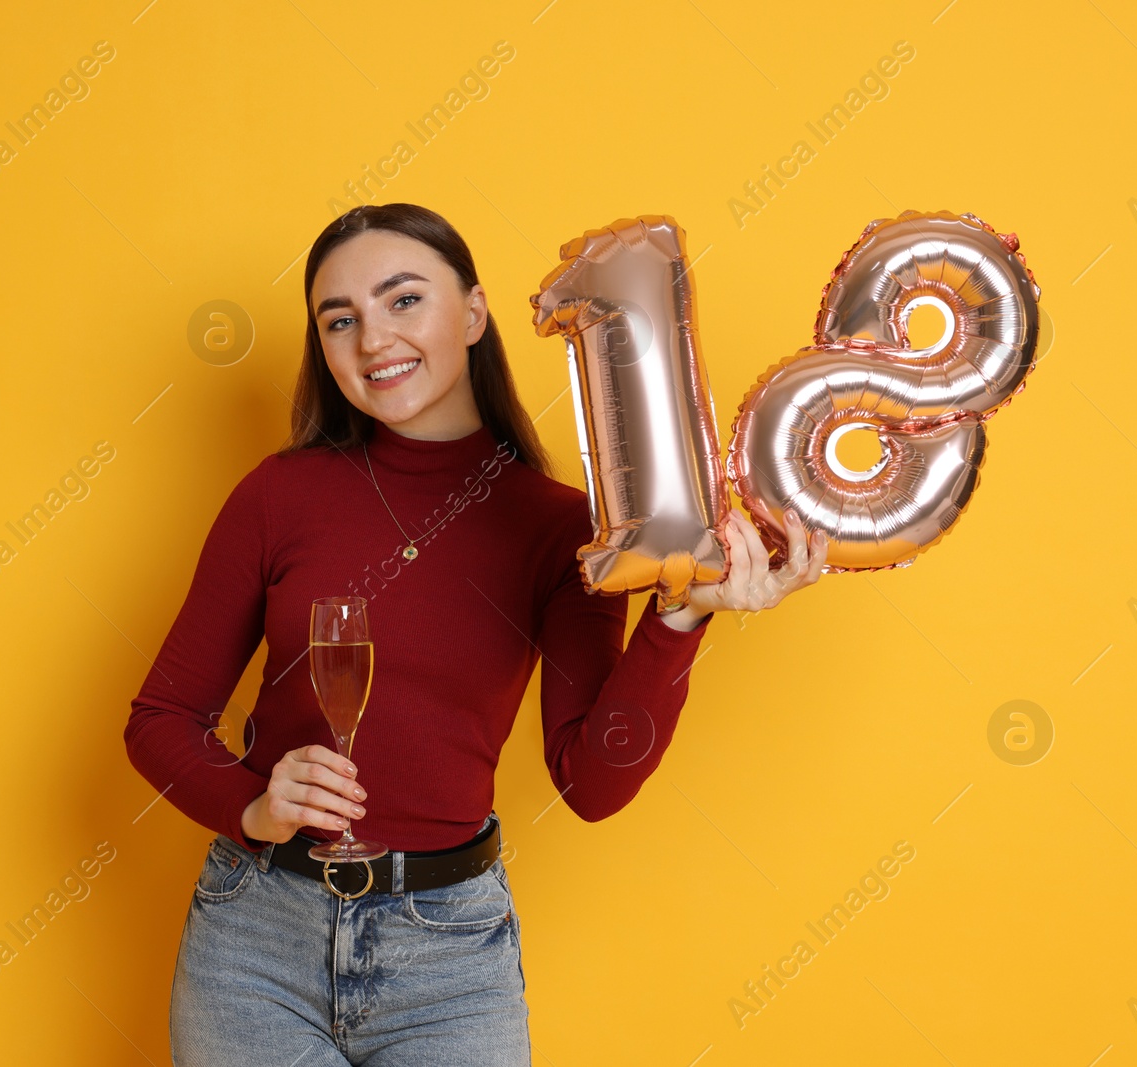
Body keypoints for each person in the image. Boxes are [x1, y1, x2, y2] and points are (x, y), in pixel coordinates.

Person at [125, 203, 827, 1066]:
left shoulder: (566, 530)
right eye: (338, 320)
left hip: (447, 954)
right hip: (255, 945)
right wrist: (252, 805)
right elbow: (161, 716)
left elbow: (591, 781)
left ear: (474, 312)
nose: (372, 338)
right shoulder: (278, 496)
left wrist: (681, 617)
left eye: (403, 300)